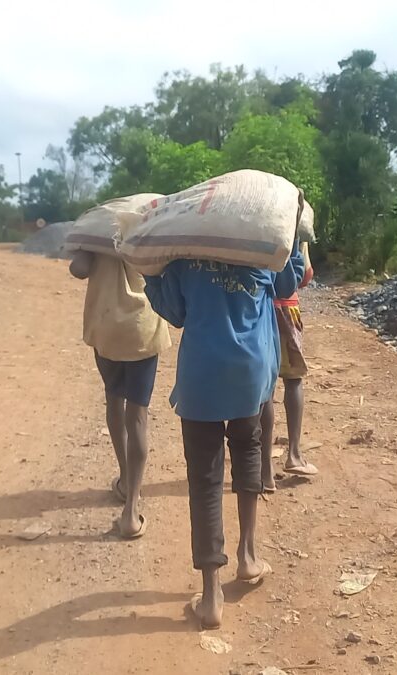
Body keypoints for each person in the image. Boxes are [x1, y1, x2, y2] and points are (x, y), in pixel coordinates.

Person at [143, 240, 306, 630]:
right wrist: (295, 237)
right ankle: (248, 555)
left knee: (204, 480)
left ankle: (212, 593)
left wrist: (151, 275)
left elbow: (175, 312)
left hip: (202, 374)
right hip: (249, 374)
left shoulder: (186, 256)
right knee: (248, 452)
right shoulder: (260, 248)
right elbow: (287, 284)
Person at [69, 249, 171, 539]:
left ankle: (125, 478)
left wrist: (88, 247)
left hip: (107, 327)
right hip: (142, 328)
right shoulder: (145, 236)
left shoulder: (96, 236)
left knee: (114, 399)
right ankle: (131, 509)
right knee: (137, 415)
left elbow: (78, 269)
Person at [260, 241, 318, 492]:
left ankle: (264, 471)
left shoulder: (255, 224)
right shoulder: (290, 226)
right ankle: (294, 453)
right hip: (288, 310)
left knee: (266, 391)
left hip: (261, 310)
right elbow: (304, 276)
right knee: (293, 381)